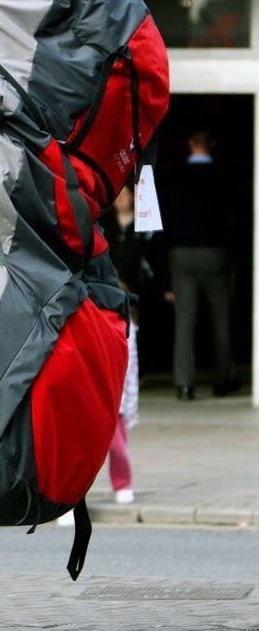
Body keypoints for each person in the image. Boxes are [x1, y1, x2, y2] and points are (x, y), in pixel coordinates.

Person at [163, 131, 240, 401]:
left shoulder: (175, 177)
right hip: (215, 250)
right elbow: (233, 217)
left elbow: (167, 219)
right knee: (221, 318)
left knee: (184, 321)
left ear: (189, 144)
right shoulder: (223, 177)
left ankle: (185, 384)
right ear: (212, 146)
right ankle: (223, 379)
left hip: (181, 252)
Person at [101, 185, 153, 504]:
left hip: (113, 394)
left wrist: (127, 402)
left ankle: (122, 484)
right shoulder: (105, 226)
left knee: (116, 441)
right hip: (93, 391)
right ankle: (68, 495)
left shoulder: (126, 328)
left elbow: (130, 368)